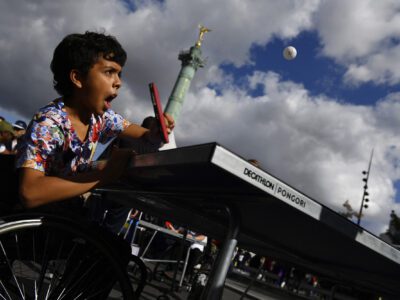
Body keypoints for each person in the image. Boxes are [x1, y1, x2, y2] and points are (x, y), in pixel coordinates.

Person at [16, 31, 174, 211]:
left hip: (67, 215)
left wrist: (157, 131)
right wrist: (105, 174)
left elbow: (146, 137)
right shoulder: (49, 123)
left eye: (119, 74)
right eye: (109, 72)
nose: (118, 82)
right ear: (78, 78)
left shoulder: (101, 117)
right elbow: (30, 193)